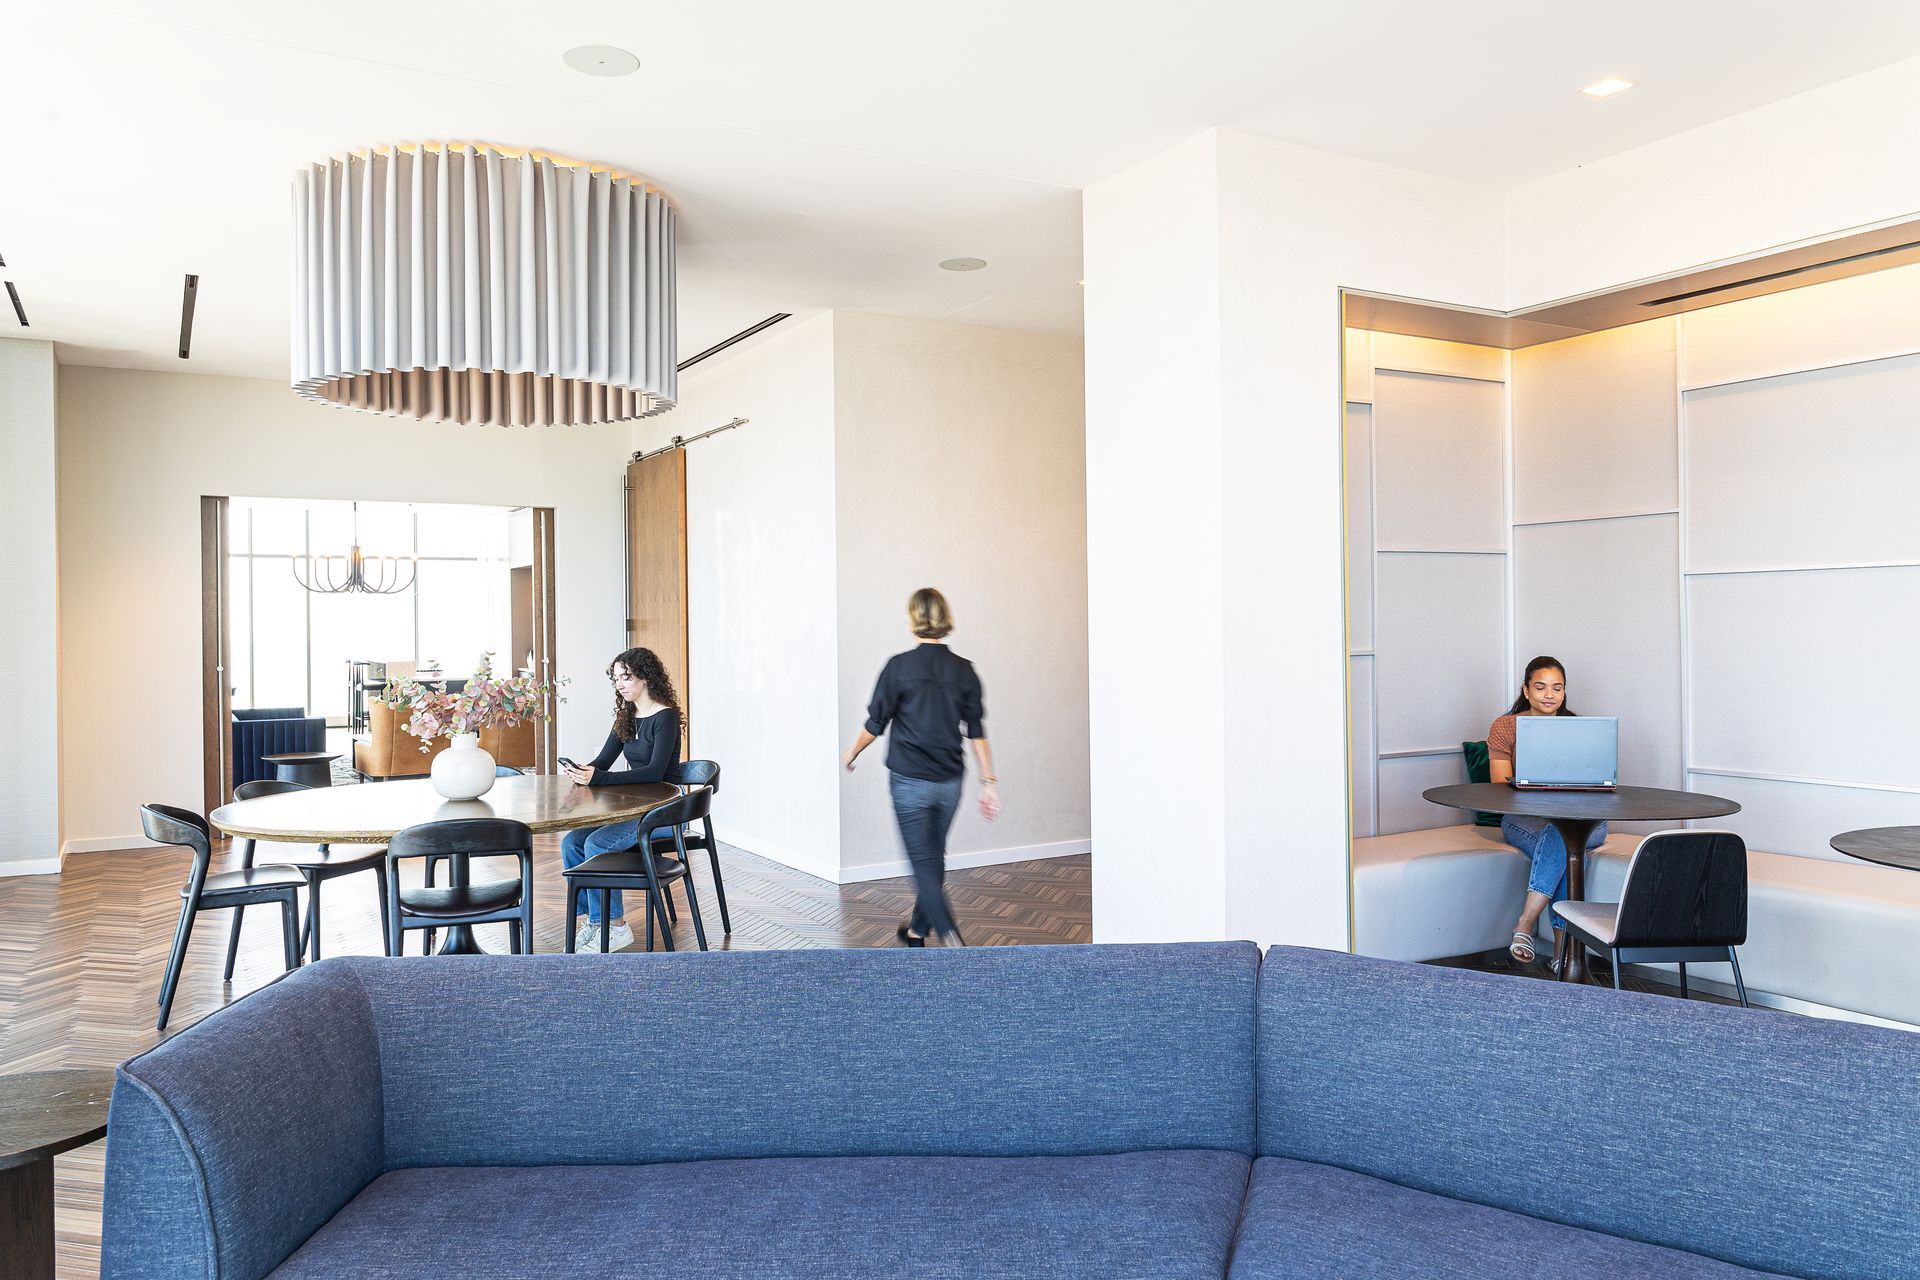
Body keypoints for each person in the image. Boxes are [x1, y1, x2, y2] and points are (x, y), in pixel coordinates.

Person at [843, 588, 999, 946]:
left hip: (910, 781)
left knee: (922, 863)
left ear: (914, 619)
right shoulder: (964, 670)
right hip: (949, 782)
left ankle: (950, 935)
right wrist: (988, 782)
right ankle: (917, 930)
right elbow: (977, 730)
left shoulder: (899, 667)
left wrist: (852, 752)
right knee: (932, 857)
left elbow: (875, 723)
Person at [1487, 654, 1606, 966]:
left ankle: (1525, 922)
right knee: (1566, 840)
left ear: (1564, 692)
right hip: (1525, 819)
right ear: (1526, 691)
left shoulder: (1579, 728)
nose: (1549, 695)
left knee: (1567, 830)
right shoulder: (1506, 727)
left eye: (1557, 688)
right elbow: (1499, 786)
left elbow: (1595, 776)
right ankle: (1562, 956)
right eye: (1541, 687)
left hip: (1581, 816)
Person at [560, 647, 682, 952]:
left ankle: (617, 926)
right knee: (572, 842)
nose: (620, 684)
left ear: (645, 677)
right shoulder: (627, 715)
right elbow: (603, 760)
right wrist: (583, 771)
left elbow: (655, 773)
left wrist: (598, 779)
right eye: (616, 679)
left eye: (625, 677)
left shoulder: (664, 717)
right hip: (634, 808)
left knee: (597, 844)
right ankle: (596, 923)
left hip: (661, 812)